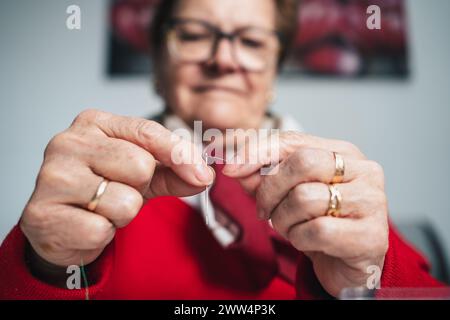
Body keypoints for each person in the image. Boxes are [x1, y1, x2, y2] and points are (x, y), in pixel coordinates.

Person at [0, 0, 443, 300]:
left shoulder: (338, 185)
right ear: (159, 63)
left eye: (251, 42)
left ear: (273, 72)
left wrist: (366, 284)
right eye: (193, 35)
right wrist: (46, 266)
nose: (223, 58)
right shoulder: (93, 187)